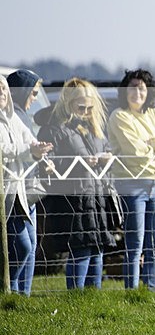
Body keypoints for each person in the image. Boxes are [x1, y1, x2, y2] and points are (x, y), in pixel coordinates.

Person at [38, 78, 116, 289]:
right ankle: (76, 298)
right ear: (67, 103)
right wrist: (79, 163)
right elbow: (48, 164)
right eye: (81, 107)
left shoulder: (94, 129)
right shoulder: (54, 129)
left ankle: (91, 298)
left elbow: (107, 149)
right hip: (73, 201)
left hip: (96, 198)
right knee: (80, 250)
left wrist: (107, 158)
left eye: (90, 108)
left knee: (97, 251)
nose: (86, 112)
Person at [107, 69, 155, 291]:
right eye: (133, 87)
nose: (137, 92)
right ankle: (132, 291)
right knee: (135, 244)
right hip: (132, 186)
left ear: (148, 92)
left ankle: (150, 291)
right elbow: (136, 153)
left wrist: (153, 142)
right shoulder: (119, 116)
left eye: (142, 88)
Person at [1, 75, 52, 295]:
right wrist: (30, 151)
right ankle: (8, 290)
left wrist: (42, 153)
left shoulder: (12, 117)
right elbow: (4, 149)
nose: (1, 93)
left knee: (25, 246)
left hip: (16, 192)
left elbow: (29, 139)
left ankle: (15, 294)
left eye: (3, 88)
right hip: (5, 194)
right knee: (22, 246)